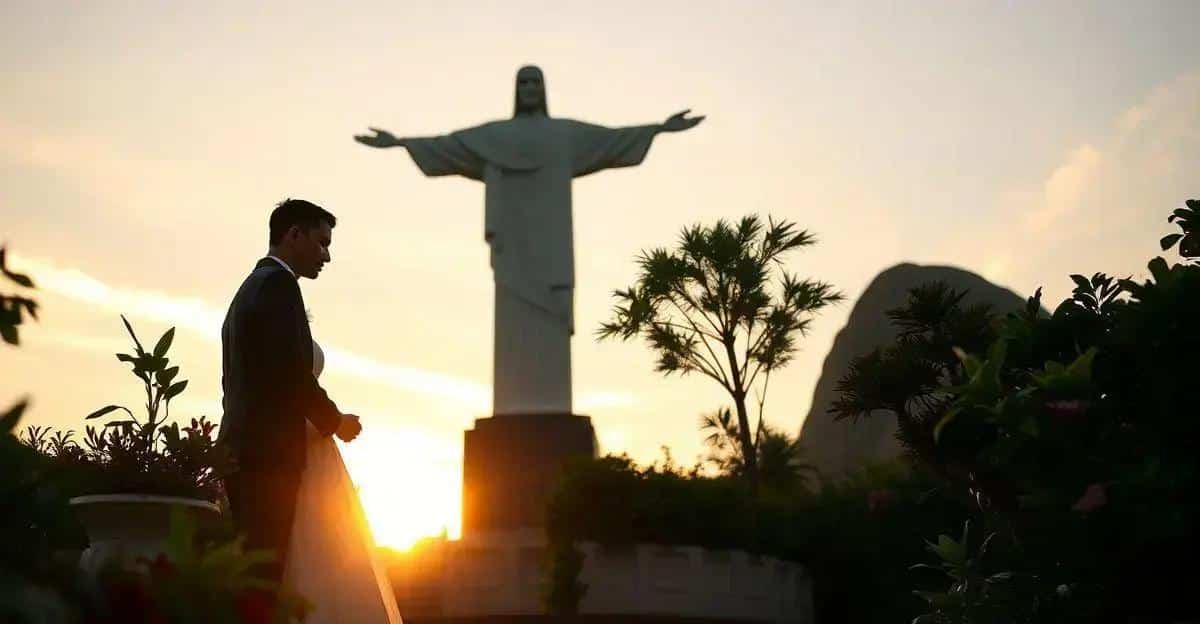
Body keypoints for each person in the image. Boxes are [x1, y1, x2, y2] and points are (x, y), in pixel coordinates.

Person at [219, 198, 402, 622]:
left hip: (243, 449)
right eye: (321, 243)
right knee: (264, 577)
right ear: (293, 234)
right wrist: (335, 421)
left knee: (256, 572)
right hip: (268, 455)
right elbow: (290, 372)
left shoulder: (248, 289)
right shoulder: (278, 287)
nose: (327, 255)